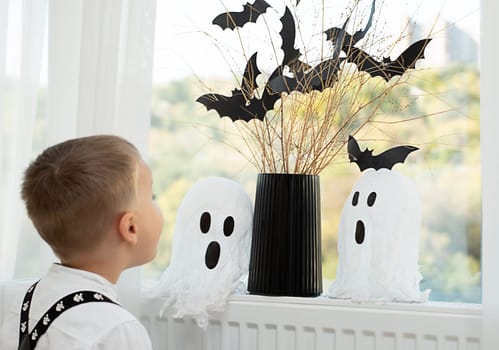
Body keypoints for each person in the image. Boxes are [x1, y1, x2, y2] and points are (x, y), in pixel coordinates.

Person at [0, 135, 163, 349]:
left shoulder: (27, 302)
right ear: (130, 227)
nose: (156, 203)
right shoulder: (117, 329)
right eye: (152, 197)